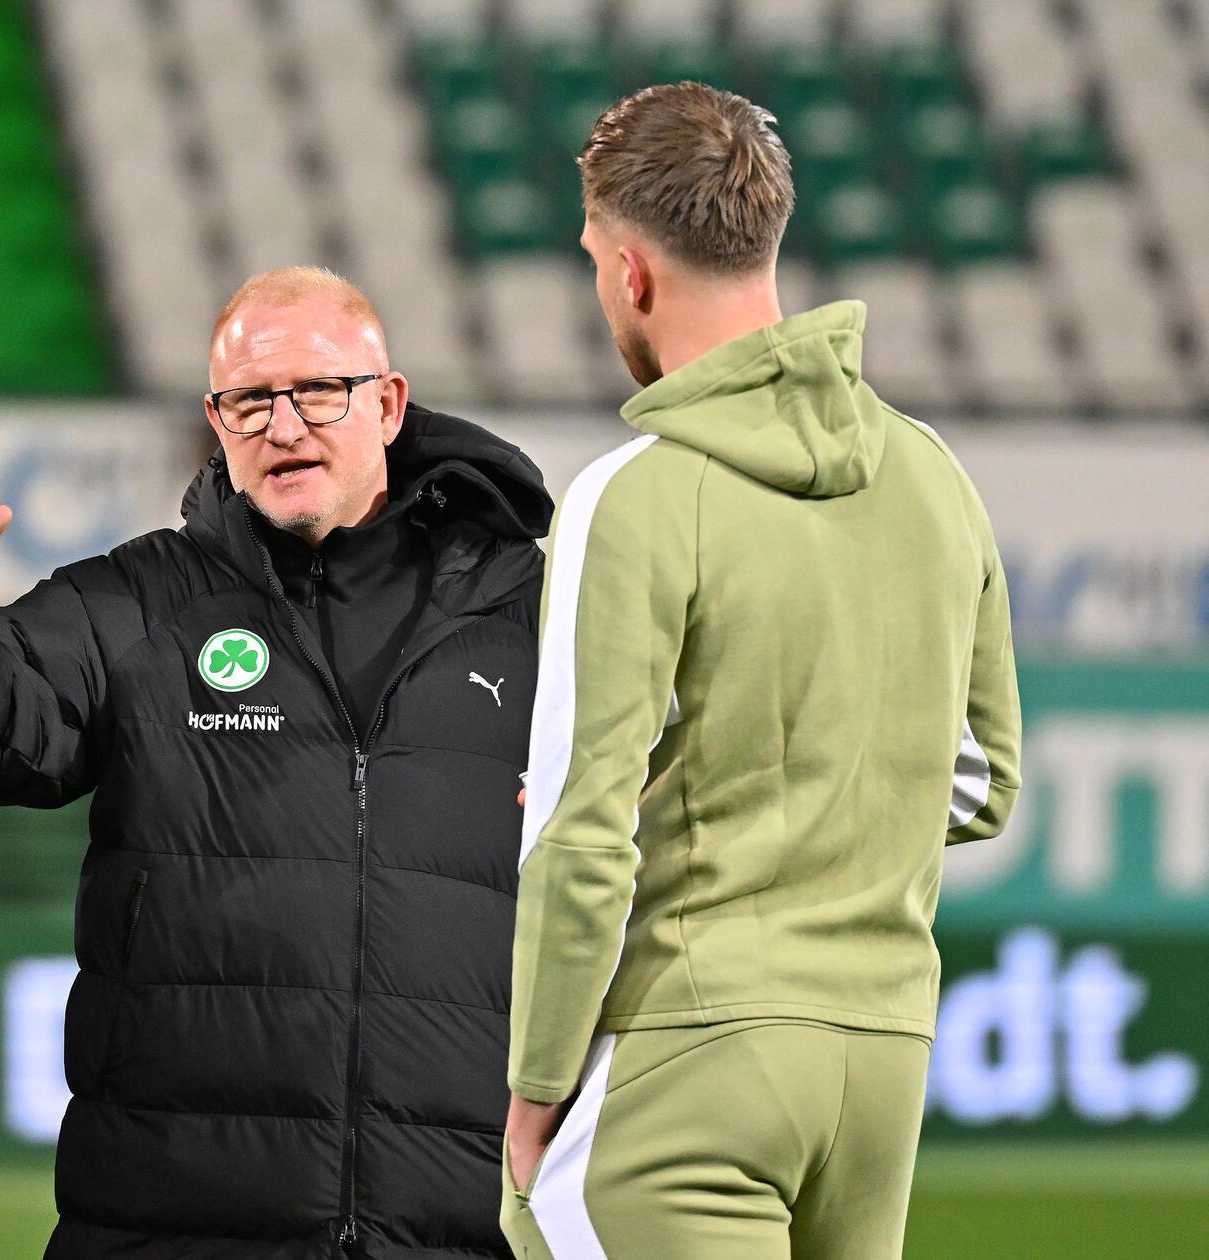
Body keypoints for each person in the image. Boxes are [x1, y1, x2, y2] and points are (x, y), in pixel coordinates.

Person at [0, 266, 552, 1257]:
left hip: (454, 1229)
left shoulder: (534, 612)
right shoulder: (138, 602)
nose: (283, 424)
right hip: (175, 1228)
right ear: (215, 422)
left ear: (388, 404)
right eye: (249, 400)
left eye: (317, 390)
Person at [501, 83, 1023, 1260]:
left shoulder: (628, 499)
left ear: (629, 271)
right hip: (882, 1067)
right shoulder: (935, 476)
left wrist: (536, 1095)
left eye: (594, 261)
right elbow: (983, 784)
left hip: (682, 1052)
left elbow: (581, 839)